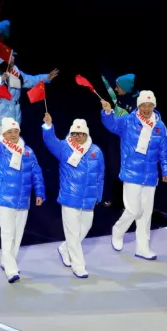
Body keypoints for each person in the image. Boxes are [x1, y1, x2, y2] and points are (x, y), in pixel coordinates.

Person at [100, 90, 167, 259]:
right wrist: (108, 112)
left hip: (151, 176)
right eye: (143, 105)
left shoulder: (160, 126)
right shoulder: (128, 121)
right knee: (133, 210)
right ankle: (118, 231)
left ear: (154, 106)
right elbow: (112, 125)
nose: (146, 109)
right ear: (138, 106)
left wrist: (166, 170)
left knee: (146, 213)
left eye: (150, 105)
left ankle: (143, 247)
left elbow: (164, 151)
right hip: (132, 172)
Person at [41, 112, 104, 278]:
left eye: (81, 134)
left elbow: (100, 175)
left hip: (88, 199)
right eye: (74, 133)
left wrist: (98, 195)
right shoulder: (64, 148)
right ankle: (79, 265)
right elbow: (50, 141)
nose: (77, 137)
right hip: (69, 198)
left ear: (86, 134)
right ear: (70, 134)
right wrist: (48, 127)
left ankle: (64, 248)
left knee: (85, 228)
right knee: (73, 234)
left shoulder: (96, 151)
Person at [0, 113, 45, 283]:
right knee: (7, 233)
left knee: (17, 235)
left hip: (23, 200)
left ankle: (7, 260)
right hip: (5, 199)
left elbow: (36, 173)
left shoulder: (27, 151)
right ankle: (11, 269)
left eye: (15, 131)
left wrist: (39, 192)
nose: (12, 134)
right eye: (9, 131)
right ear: (2, 134)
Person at [0, 57, 58, 127]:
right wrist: (1, 79)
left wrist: (46, 77)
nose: (14, 58)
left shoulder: (16, 73)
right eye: (11, 56)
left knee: (14, 137)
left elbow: (30, 80)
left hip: (15, 116)